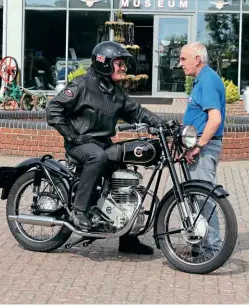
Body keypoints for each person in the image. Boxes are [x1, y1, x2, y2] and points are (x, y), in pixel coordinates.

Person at [46, 41, 164, 255]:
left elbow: (137, 112)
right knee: (98, 157)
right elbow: (54, 108)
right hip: (81, 144)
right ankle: (80, 211)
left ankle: (127, 239)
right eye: (119, 63)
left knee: (126, 172)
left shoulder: (115, 92)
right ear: (104, 63)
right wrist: (72, 136)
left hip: (102, 143)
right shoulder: (82, 85)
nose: (123, 68)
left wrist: (162, 124)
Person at [179, 42, 226, 255]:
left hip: (202, 149)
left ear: (197, 59)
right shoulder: (203, 79)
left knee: (204, 198)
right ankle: (199, 247)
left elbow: (214, 119)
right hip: (197, 147)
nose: (180, 64)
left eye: (183, 59)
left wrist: (198, 145)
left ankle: (212, 250)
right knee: (195, 197)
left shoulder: (207, 81)